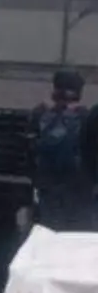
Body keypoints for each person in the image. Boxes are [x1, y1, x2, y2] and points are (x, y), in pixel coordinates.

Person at [28, 69, 98, 232]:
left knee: (50, 230)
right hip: (81, 188)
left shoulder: (39, 114)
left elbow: (31, 151)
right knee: (78, 234)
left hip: (48, 187)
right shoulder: (88, 117)